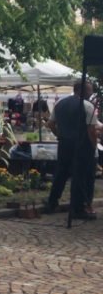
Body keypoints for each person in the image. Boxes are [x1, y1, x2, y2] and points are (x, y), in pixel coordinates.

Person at [46, 81, 99, 219]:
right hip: (82, 146)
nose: (91, 93)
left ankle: (51, 203)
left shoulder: (60, 104)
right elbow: (91, 130)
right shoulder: (87, 106)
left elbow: (50, 123)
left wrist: (59, 135)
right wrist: (94, 146)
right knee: (81, 177)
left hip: (64, 144)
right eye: (89, 90)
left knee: (61, 174)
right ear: (81, 90)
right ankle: (78, 208)